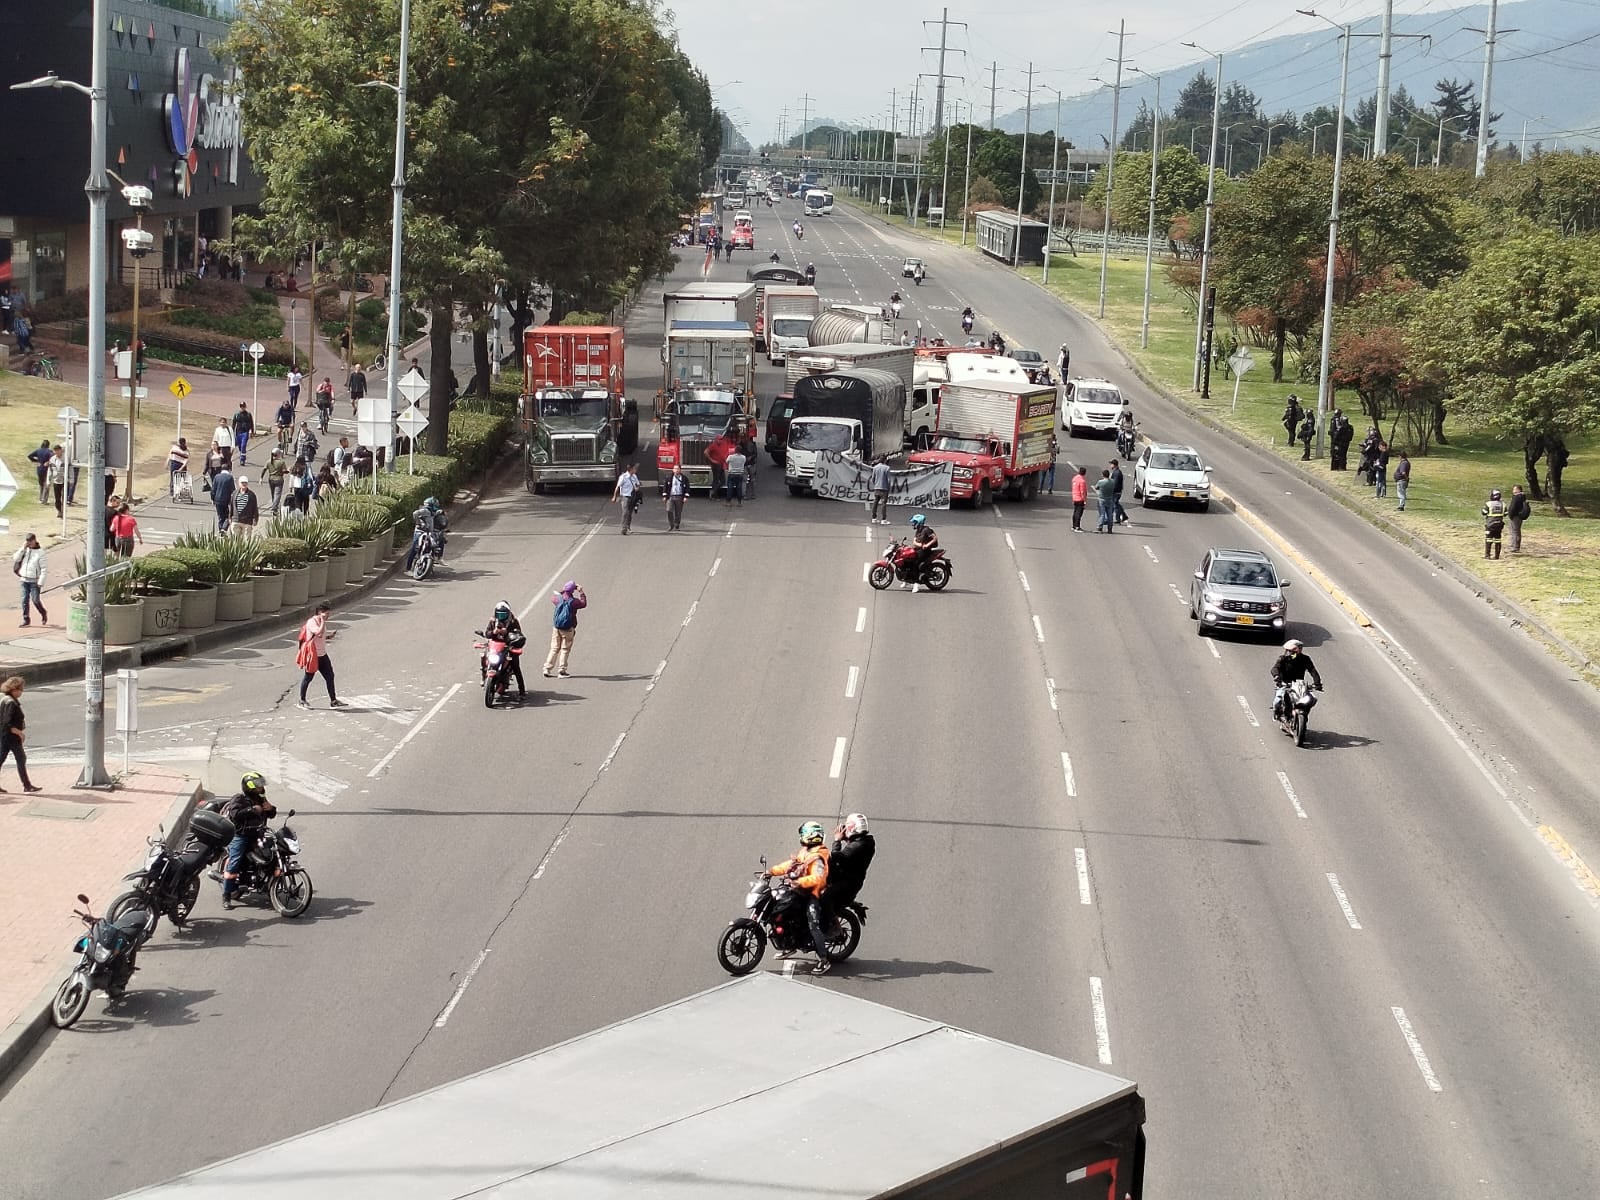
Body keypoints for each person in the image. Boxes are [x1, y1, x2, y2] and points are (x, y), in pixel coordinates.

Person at [768, 821, 833, 974]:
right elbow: (791, 865)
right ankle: (789, 944)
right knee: (783, 912)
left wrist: (800, 882)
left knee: (813, 925)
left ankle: (823, 959)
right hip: (798, 890)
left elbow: (818, 878)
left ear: (811, 836)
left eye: (804, 834)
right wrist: (771, 871)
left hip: (812, 893)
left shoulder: (818, 857)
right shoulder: (806, 851)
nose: (802, 837)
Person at [219, 772, 276, 909]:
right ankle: (226, 895)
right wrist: (252, 810)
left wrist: (271, 809)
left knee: (272, 853)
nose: (261, 789)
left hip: (258, 833)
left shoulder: (260, 798)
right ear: (249, 787)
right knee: (235, 862)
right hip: (241, 835)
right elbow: (235, 814)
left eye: (261, 786)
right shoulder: (239, 799)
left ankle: (268, 883)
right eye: (258, 787)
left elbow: (271, 814)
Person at [824, 813, 876, 921]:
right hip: (843, 878)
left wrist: (837, 840)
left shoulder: (859, 846)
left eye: (847, 826)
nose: (844, 828)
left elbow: (837, 857)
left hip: (847, 885)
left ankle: (831, 927)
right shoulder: (863, 842)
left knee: (824, 897)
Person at [295, 602, 345, 709]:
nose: (328, 617)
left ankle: (333, 700)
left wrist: (328, 637)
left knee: (330, 676)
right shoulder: (312, 622)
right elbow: (319, 633)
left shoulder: (321, 622)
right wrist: (322, 621)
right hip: (313, 655)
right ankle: (302, 700)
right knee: (308, 677)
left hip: (322, 654)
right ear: (320, 613)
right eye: (326, 615)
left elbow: (321, 636)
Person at [0, 676, 44, 794]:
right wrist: (19, 733)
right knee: (20, 758)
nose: (21, 692)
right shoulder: (11, 703)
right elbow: (7, 722)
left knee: (2, 758)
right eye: (20, 689)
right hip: (11, 736)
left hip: (5, 735)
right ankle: (27, 786)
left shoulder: (6, 699)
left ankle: (27, 785)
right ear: (14, 689)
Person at [480, 600, 527, 701]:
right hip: (495, 647)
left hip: (508, 646)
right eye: (499, 614)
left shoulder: (513, 622)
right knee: (484, 657)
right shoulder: (493, 621)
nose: (501, 616)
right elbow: (487, 633)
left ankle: (522, 691)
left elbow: (518, 634)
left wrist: (507, 633)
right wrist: (493, 632)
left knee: (516, 667)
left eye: (503, 614)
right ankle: (483, 677)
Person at [1270, 639, 1324, 721]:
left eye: (1291, 651)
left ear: (1298, 651)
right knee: (1277, 701)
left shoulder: (1305, 659)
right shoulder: (1283, 659)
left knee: (1312, 699)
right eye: (1288, 651)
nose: (1289, 653)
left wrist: (1317, 683)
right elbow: (1275, 668)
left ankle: (1304, 714)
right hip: (1285, 684)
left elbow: (1313, 671)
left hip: (1299, 685)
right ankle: (1277, 714)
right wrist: (1277, 676)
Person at [543, 581, 586, 679]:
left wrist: (563, 590)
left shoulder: (558, 599)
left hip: (557, 627)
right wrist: (581, 592)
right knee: (565, 649)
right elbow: (583, 603)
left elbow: (553, 597)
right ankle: (561, 670)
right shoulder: (574, 602)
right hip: (568, 628)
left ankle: (547, 668)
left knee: (554, 648)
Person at [405, 496, 447, 570]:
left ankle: (438, 557)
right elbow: (415, 514)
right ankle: (408, 568)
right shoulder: (425, 511)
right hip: (420, 532)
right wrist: (418, 523)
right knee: (414, 549)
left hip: (430, 532)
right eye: (435, 505)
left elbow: (439, 517)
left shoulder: (433, 513)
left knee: (440, 540)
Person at [14, 535, 47, 628]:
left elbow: (44, 568)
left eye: (31, 541)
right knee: (24, 600)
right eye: (27, 541)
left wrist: (41, 581)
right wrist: (22, 548)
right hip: (24, 579)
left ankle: (43, 612)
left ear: (35, 540)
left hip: (34, 581)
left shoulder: (41, 553)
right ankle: (26, 619)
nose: (29, 543)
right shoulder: (25, 550)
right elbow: (16, 559)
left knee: (35, 600)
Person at [906, 513, 938, 592]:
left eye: (914, 522)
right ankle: (907, 580)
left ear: (919, 523)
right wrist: (918, 544)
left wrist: (927, 545)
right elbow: (914, 541)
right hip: (919, 549)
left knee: (915, 563)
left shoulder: (927, 530)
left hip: (925, 551)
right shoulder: (918, 531)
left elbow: (935, 538)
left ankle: (916, 583)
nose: (913, 524)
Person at [612, 462, 641, 534]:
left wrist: (637, 488)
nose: (636, 469)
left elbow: (638, 484)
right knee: (625, 512)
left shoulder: (634, 476)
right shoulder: (623, 477)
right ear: (631, 469)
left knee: (630, 513)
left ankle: (628, 526)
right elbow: (618, 487)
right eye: (634, 468)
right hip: (625, 496)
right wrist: (614, 496)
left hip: (632, 497)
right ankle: (624, 528)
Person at [211, 461, 236, 532]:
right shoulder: (230, 477)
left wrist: (212, 498)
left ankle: (220, 529)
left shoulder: (217, 477)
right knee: (228, 516)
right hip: (226, 500)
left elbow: (213, 489)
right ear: (228, 469)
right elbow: (233, 490)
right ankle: (224, 529)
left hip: (217, 499)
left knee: (220, 516)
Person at [1482, 488, 1507, 559]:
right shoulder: (1503, 504)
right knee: (1498, 540)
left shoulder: (1488, 504)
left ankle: (1487, 555)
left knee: (1488, 539)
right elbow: (1505, 513)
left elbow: (1484, 512)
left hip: (1490, 525)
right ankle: (1497, 556)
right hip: (1499, 525)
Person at [664, 464, 689, 530]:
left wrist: (685, 497)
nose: (676, 470)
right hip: (671, 496)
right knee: (669, 510)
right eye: (675, 468)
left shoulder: (684, 478)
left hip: (679, 496)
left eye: (677, 468)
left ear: (680, 470)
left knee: (678, 512)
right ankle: (671, 524)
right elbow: (665, 487)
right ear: (673, 469)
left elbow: (687, 488)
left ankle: (677, 524)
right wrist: (665, 495)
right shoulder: (669, 477)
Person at [1506, 484, 1530, 553]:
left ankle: (1515, 547)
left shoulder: (1517, 497)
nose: (1513, 490)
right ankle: (1516, 546)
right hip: (1518, 517)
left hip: (1516, 516)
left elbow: (1513, 507)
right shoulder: (1522, 497)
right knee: (1517, 531)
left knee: (1515, 531)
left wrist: (1510, 514)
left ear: (1518, 490)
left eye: (1514, 489)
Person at [263, 449, 287, 514]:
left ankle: (275, 507)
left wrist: (261, 478)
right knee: (277, 494)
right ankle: (274, 508)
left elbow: (264, 469)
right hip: (279, 479)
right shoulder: (281, 462)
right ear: (278, 454)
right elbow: (284, 471)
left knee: (273, 494)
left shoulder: (268, 461)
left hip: (271, 479)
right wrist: (287, 471)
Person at [27, 440, 52, 505]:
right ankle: (44, 500)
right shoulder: (49, 451)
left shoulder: (38, 450)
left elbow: (29, 456)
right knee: (46, 484)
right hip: (46, 469)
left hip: (39, 468)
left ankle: (41, 498)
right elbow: (53, 457)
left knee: (41, 484)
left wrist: (36, 461)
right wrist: (48, 462)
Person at [869, 456, 892, 524]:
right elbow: (889, 480)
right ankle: (883, 519)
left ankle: (874, 518)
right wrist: (888, 487)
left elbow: (873, 478)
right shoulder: (887, 468)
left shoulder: (875, 467)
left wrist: (875, 484)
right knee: (883, 504)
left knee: (875, 502)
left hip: (877, 487)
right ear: (885, 460)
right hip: (884, 488)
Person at [231, 401, 255, 466]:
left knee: (243, 445)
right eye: (241, 406)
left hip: (245, 432)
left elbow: (251, 423)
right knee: (240, 446)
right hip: (238, 432)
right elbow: (233, 423)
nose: (242, 408)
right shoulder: (236, 414)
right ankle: (242, 453)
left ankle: (242, 459)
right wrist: (231, 431)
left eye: (243, 406)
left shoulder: (248, 414)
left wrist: (252, 432)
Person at [725, 442, 747, 507]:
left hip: (732, 474)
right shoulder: (743, 457)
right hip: (740, 474)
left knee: (730, 488)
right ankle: (739, 502)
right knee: (739, 488)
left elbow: (726, 461)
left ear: (735, 450)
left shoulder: (731, 457)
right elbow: (744, 462)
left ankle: (728, 502)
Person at [47, 445, 66, 517]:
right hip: (56, 480)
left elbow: (70, 469)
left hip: (64, 480)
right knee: (57, 498)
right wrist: (48, 480)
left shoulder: (65, 458)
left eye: (58, 450)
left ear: (61, 450)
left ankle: (63, 510)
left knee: (64, 497)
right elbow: (50, 470)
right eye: (55, 451)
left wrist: (71, 479)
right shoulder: (52, 459)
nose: (57, 452)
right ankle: (59, 510)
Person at [1108, 459, 1128, 525]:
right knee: (1117, 504)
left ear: (1114, 465)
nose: (1110, 465)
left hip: (1116, 492)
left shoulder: (1117, 473)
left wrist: (1111, 490)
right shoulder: (1116, 472)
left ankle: (1118, 519)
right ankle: (1124, 516)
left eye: (1111, 464)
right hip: (1117, 491)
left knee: (1115, 505)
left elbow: (1115, 483)